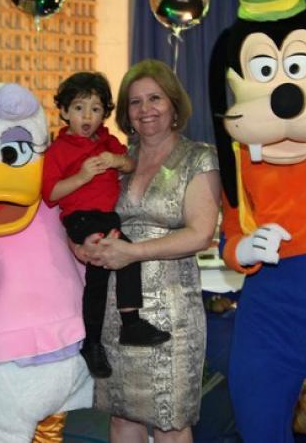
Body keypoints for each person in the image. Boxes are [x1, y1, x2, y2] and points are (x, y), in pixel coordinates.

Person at [77, 59, 221, 442]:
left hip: (171, 314)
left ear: (174, 103)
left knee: (170, 421)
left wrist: (132, 252)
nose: (145, 109)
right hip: (115, 310)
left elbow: (201, 234)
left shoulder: (199, 157)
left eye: (155, 98)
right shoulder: (117, 160)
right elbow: (83, 210)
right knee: (121, 415)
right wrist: (84, 243)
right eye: (135, 102)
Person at [42, 72, 171, 380]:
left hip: (107, 217)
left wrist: (115, 161)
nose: (87, 116)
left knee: (125, 259)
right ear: (64, 112)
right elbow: (50, 193)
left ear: (105, 114)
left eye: (96, 109)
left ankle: (127, 325)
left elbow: (131, 164)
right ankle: (97, 340)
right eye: (79, 108)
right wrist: (82, 176)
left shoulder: (107, 141)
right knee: (101, 276)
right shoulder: (58, 150)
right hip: (81, 218)